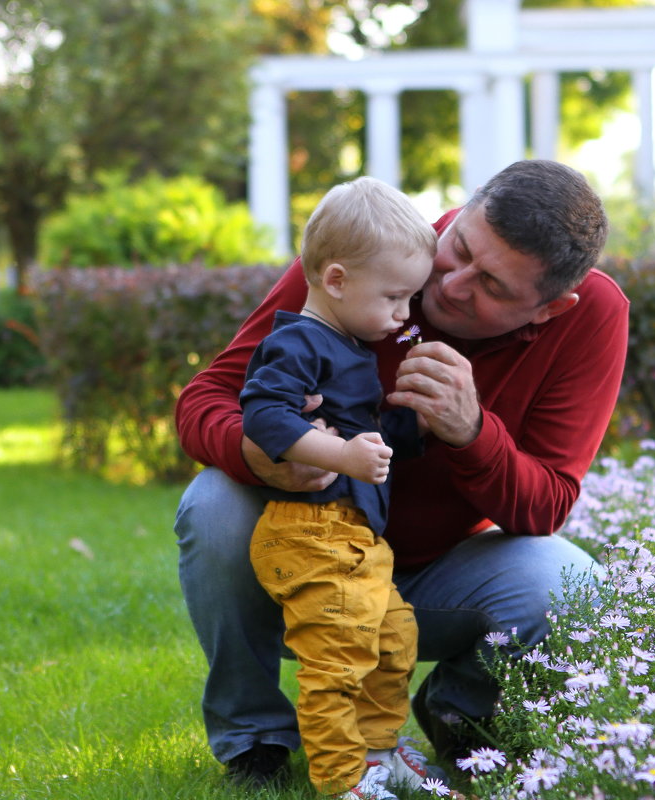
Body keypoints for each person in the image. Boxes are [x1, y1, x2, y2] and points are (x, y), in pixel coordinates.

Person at [174, 159, 629, 790]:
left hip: (429, 571)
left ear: (550, 309)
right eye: (460, 247)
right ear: (461, 213)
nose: (454, 285)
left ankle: (458, 715)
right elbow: (204, 400)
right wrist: (259, 455)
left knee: (575, 585)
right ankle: (255, 742)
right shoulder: (375, 249)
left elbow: (547, 506)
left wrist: (472, 431)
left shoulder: (591, 319)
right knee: (214, 503)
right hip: (307, 547)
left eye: (494, 287)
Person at [240, 176, 435, 799]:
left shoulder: (351, 344)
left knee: (393, 637)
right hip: (309, 532)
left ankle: (379, 753)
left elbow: (370, 438)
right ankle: (342, 779)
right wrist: (341, 454)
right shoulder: (297, 340)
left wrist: (407, 421)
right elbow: (265, 416)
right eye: (396, 297)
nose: (405, 313)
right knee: (337, 658)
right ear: (337, 279)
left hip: (357, 538)